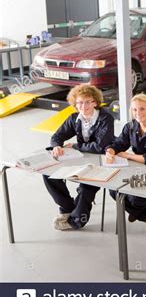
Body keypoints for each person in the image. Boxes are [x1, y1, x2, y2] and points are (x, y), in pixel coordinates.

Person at [43, 84, 115, 230]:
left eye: (88, 101)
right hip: (82, 159)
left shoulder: (105, 118)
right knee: (48, 174)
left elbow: (100, 147)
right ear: (75, 104)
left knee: (85, 186)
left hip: (102, 160)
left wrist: (75, 146)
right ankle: (67, 207)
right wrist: (56, 145)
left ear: (95, 102)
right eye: (80, 102)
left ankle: (76, 221)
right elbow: (57, 135)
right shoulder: (74, 118)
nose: (84, 106)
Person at [106, 93, 146, 232]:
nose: (138, 113)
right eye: (134, 110)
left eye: (142, 109)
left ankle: (139, 212)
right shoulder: (130, 126)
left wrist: (128, 155)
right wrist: (111, 150)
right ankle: (144, 214)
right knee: (113, 190)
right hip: (138, 168)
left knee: (134, 197)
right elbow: (119, 143)